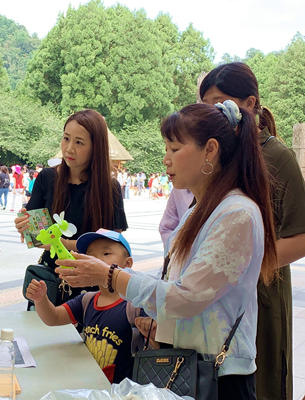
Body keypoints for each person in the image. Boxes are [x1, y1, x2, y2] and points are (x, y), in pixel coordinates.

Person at [57, 101, 278, 400]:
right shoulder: (198, 211)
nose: (166, 159)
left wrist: (110, 276)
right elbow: (172, 289)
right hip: (186, 367)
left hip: (219, 378)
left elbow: (185, 298)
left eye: (174, 149)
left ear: (210, 150)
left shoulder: (236, 214)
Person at [200, 62, 305, 400]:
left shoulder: (277, 157)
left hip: (262, 291)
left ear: (249, 103)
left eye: (219, 104)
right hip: (214, 296)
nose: (211, 115)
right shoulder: (216, 157)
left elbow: (301, 236)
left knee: (261, 382)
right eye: (206, 107)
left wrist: (248, 262)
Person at [14, 109, 128, 310]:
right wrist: (24, 225)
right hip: (50, 278)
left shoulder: (109, 188)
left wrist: (61, 243)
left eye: (79, 142)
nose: (69, 149)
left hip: (91, 281)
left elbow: (112, 247)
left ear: (96, 147)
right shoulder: (47, 178)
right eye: (66, 138)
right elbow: (37, 236)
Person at [26, 229, 152, 383]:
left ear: (127, 263)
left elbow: (155, 348)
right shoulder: (87, 301)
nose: (96, 260)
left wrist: (151, 334)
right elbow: (54, 317)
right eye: (91, 256)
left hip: (122, 391)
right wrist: (41, 300)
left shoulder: (136, 305)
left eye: (106, 254)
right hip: (89, 384)